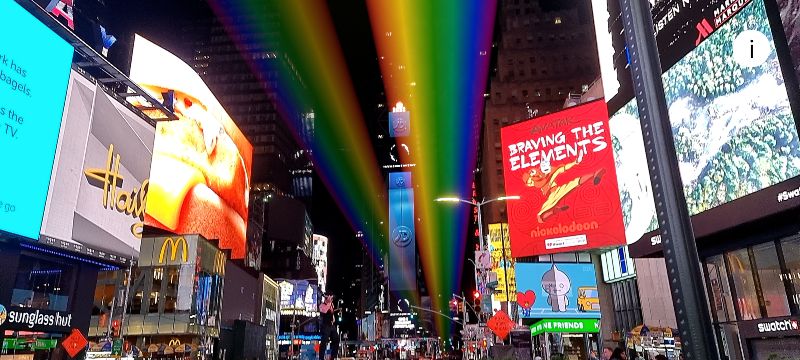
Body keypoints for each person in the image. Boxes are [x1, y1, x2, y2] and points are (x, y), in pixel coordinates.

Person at [318, 293, 340, 360]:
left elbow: (331, 312)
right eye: (330, 298)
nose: (331, 300)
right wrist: (329, 302)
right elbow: (325, 311)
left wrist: (333, 318)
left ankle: (332, 357)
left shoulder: (331, 304)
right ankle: (321, 358)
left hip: (331, 325)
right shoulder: (322, 305)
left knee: (336, 339)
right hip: (325, 325)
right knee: (324, 342)